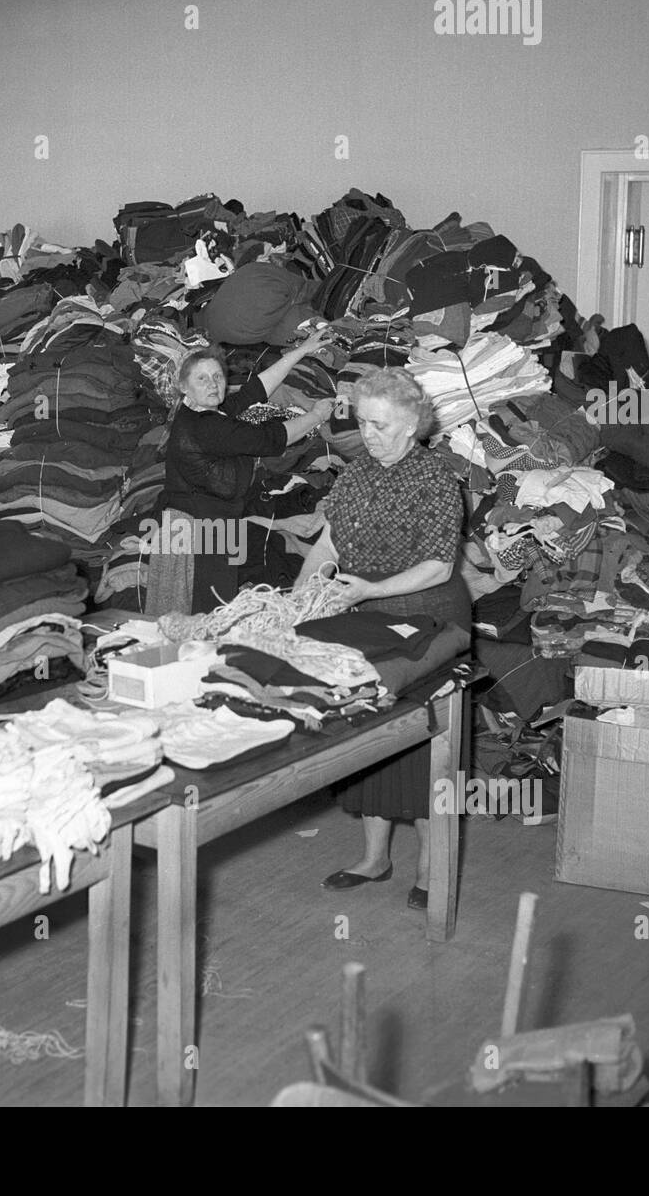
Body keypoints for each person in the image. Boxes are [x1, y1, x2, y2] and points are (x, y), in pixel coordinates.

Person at [294, 367, 469, 911]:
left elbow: (439, 567)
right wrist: (295, 599)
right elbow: (328, 544)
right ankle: (374, 859)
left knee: (420, 745)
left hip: (430, 619)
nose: (369, 435)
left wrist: (369, 588)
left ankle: (428, 863)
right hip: (364, 613)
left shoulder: (437, 480)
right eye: (363, 423)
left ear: (413, 423)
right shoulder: (354, 476)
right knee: (366, 732)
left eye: (382, 425)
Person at [145, 332, 336, 615]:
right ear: (183, 386)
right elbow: (274, 439)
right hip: (198, 530)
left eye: (217, 377)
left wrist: (302, 351)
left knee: (193, 615)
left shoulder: (204, 411)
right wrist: (317, 416)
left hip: (200, 522)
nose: (213, 384)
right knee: (208, 615)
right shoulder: (207, 427)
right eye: (202, 379)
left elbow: (255, 390)